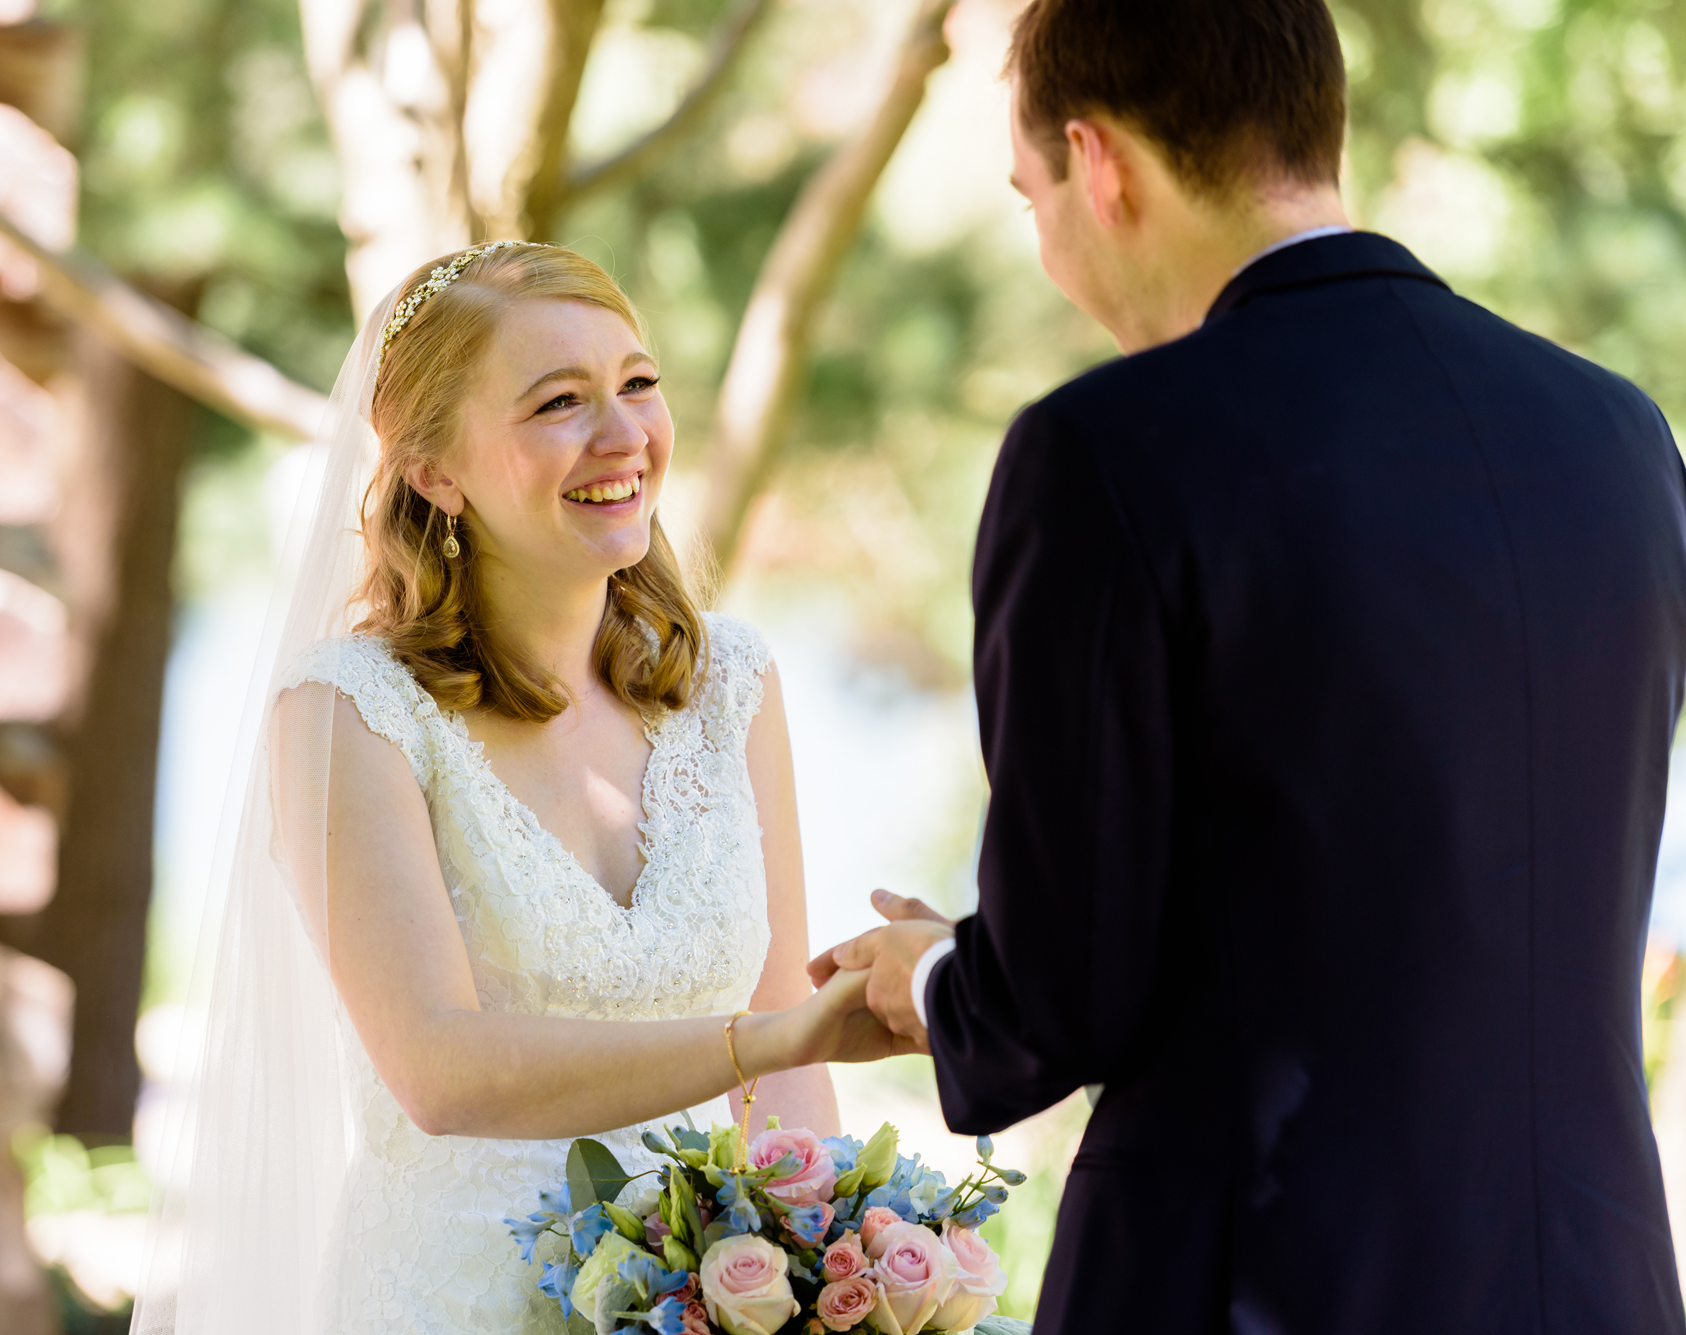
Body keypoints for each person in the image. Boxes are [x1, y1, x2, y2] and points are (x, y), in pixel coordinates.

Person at [816, 0, 1686, 1330]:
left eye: (1031, 194)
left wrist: (934, 976)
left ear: (1097, 162)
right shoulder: (1621, 439)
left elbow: (1065, 985)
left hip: (1252, 1280)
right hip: (1593, 1279)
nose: (1049, 246)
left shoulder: (1105, 451)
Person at [129, 241, 895, 1335]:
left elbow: (790, 1068)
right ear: (435, 469)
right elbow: (438, 1071)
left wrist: (831, 1277)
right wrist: (768, 1039)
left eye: (637, 383)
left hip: (717, 1305)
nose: (623, 435)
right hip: (455, 1304)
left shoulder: (733, 686)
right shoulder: (350, 713)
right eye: (558, 404)